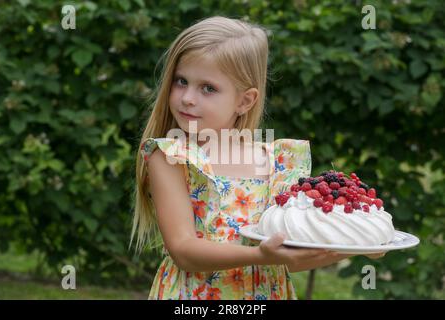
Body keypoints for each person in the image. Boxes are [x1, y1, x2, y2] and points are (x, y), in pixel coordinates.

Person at [130, 16, 383, 300]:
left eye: (208, 88)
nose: (188, 97)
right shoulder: (171, 155)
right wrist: (261, 256)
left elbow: (293, 252)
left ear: (245, 100)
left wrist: (360, 242)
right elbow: (184, 251)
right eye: (181, 81)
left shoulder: (277, 162)